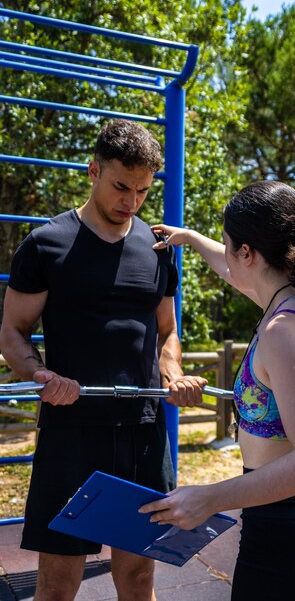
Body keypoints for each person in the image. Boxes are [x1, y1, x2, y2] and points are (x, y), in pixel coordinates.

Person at [0, 119, 206, 601]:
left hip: (143, 431)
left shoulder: (157, 249)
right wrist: (38, 373)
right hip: (71, 429)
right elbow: (12, 331)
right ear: (93, 170)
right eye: (120, 187)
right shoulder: (47, 243)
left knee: (138, 577)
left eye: (141, 190)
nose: (130, 201)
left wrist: (172, 372)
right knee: (57, 585)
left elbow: (167, 330)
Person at [142, 180, 295, 600]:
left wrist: (208, 498)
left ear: (247, 252)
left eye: (229, 245)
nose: (225, 254)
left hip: (293, 535)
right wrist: (190, 239)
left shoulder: (282, 332)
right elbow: (233, 271)